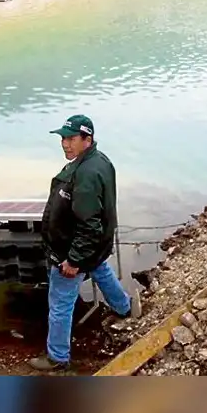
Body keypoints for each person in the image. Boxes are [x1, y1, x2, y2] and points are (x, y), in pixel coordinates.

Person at [28, 115, 132, 371]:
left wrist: (73, 259)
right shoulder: (99, 161)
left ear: (88, 139)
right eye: (63, 138)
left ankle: (57, 357)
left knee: (60, 304)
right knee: (101, 269)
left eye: (71, 139)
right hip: (95, 247)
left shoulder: (86, 173)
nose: (65, 144)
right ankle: (124, 308)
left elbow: (88, 224)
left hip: (73, 250)